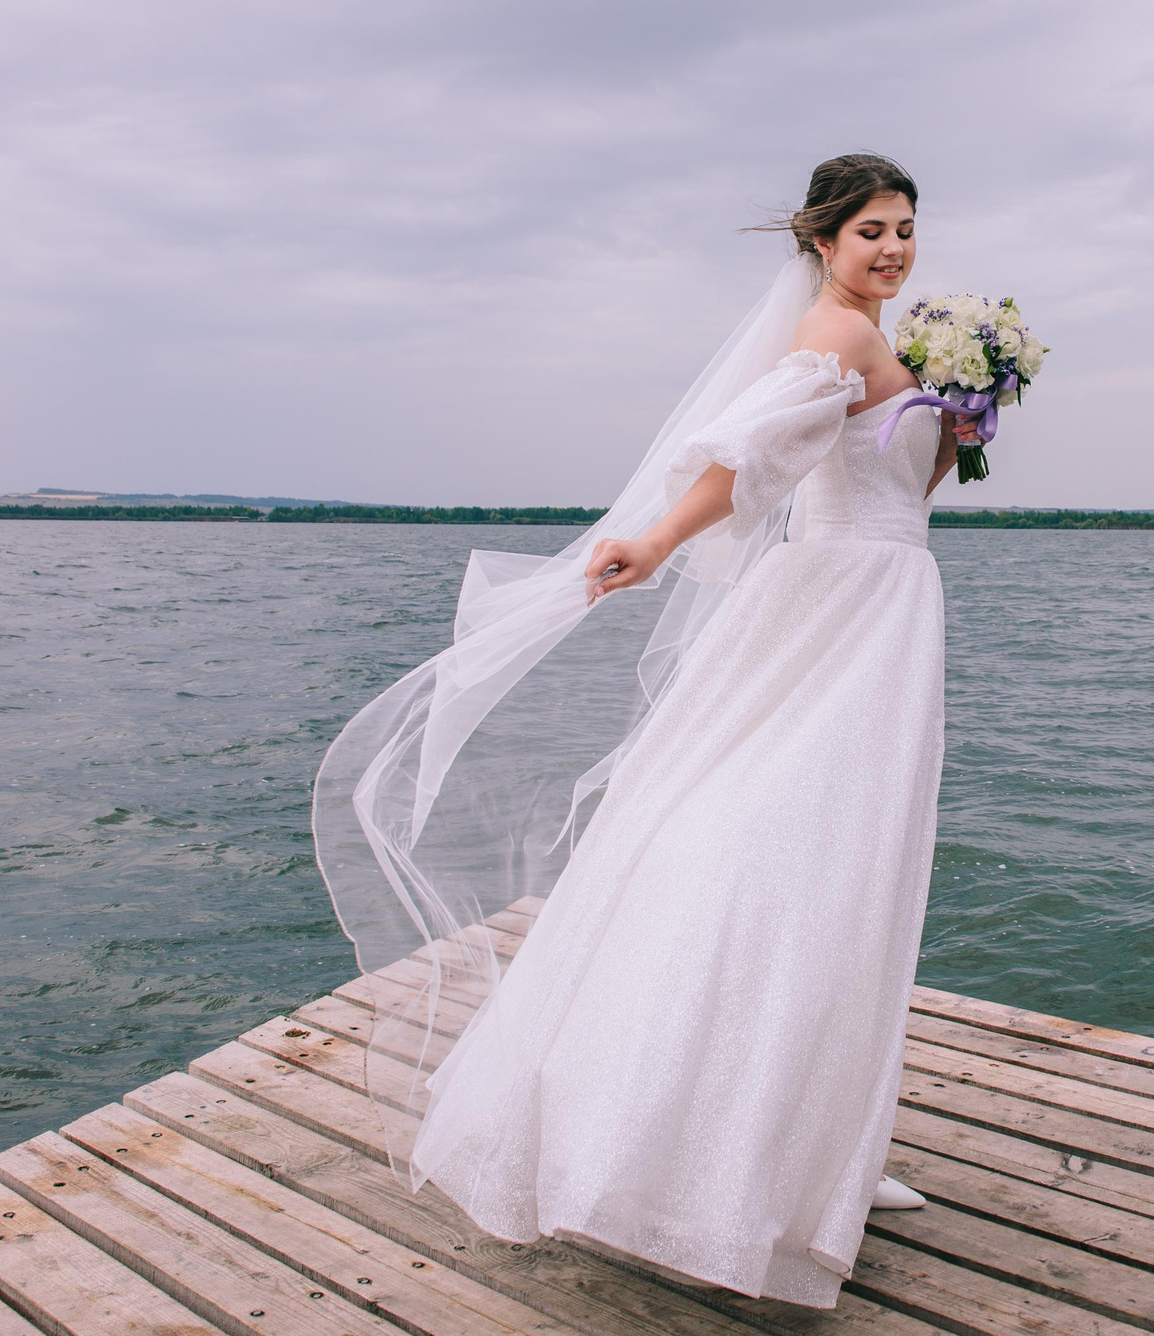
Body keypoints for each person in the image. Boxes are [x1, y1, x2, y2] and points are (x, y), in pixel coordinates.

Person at [314, 154, 979, 1308]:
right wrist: (659, 542)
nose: (894, 250)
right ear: (823, 242)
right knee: (803, 859)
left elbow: (894, 481)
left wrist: (965, 410)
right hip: (839, 616)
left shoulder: (896, 346)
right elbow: (746, 465)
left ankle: (832, 1150)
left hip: (879, 610)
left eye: (908, 230)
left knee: (851, 866)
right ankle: (720, 1152)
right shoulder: (840, 335)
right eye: (873, 230)